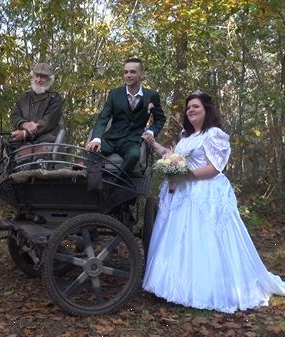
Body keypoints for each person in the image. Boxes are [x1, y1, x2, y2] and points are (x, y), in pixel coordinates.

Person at [143, 91, 285, 313]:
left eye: (195, 106)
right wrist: (154, 144)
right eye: (188, 107)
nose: (190, 110)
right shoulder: (186, 136)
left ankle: (207, 289)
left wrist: (183, 175)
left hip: (204, 192)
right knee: (179, 238)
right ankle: (173, 286)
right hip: (181, 193)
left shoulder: (214, 134)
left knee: (202, 239)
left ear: (206, 110)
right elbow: (172, 156)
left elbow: (213, 168)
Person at [85, 58, 166, 176]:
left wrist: (151, 132)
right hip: (111, 139)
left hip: (132, 141)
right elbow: (103, 118)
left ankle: (118, 187)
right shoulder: (114, 94)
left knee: (134, 155)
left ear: (141, 73)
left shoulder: (152, 96)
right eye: (125, 72)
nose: (128, 75)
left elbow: (160, 119)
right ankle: (91, 187)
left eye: (132, 72)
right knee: (92, 151)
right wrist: (97, 139)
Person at [9, 62, 63, 162]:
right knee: (22, 164)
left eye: (42, 77)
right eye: (37, 76)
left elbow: (48, 122)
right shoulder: (25, 96)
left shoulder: (55, 98)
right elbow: (14, 115)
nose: (38, 80)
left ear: (49, 79)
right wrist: (23, 124)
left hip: (46, 140)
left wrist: (26, 133)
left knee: (40, 164)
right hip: (24, 142)